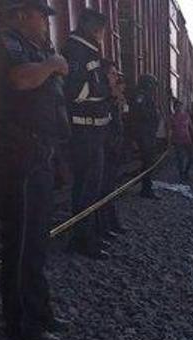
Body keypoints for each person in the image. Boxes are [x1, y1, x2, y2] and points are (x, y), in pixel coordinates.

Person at [0, 0, 71, 340]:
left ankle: (39, 310)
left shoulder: (30, 47)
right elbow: (19, 80)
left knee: (36, 242)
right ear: (20, 15)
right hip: (17, 157)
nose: (46, 25)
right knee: (22, 244)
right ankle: (21, 323)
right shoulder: (0, 45)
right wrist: (52, 64)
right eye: (41, 17)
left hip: (37, 155)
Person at [63, 8, 111, 260]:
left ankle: (84, 236)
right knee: (87, 188)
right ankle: (84, 240)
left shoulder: (81, 49)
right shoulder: (79, 50)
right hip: (85, 130)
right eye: (101, 30)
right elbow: (75, 90)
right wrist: (102, 91)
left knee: (86, 186)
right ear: (94, 29)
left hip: (90, 130)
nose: (102, 35)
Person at [99, 59, 125, 239]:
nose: (116, 78)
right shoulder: (101, 97)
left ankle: (110, 222)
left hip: (112, 148)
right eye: (113, 74)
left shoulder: (112, 97)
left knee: (109, 188)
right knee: (102, 189)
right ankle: (102, 227)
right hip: (104, 149)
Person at [130, 73, 161, 199]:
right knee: (148, 162)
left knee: (149, 162)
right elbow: (139, 113)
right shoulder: (141, 96)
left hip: (148, 133)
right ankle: (146, 189)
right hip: (144, 134)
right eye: (152, 85)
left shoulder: (145, 96)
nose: (154, 88)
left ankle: (147, 187)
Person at [168, 98, 193, 182]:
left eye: (180, 106)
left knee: (191, 157)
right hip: (177, 141)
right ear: (174, 107)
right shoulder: (172, 117)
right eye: (177, 106)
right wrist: (169, 143)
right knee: (180, 159)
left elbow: (191, 128)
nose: (179, 108)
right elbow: (170, 130)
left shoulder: (186, 116)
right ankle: (182, 175)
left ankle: (186, 172)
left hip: (187, 139)